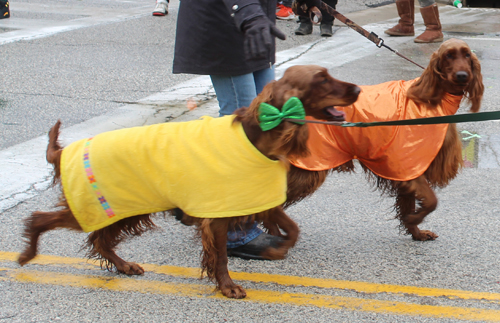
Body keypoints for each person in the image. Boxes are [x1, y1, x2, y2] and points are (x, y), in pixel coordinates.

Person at [173, 0, 316, 259]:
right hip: (226, 21)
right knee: (241, 132)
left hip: (255, 22)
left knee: (265, 122)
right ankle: (233, 229)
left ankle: (193, 200)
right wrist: (248, 14)